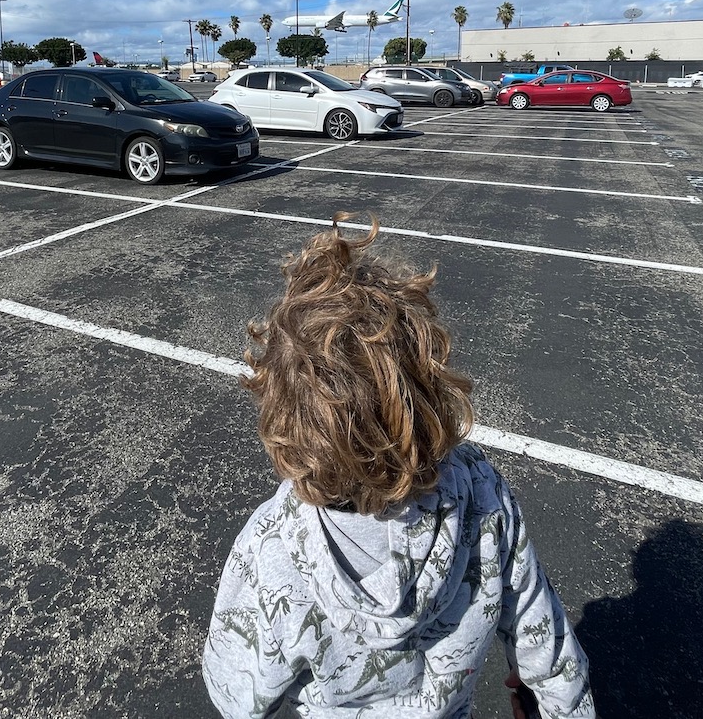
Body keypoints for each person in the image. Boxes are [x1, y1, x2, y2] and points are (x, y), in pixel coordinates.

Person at [203, 219, 594, 718]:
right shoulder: (481, 494)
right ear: (427, 393)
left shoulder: (271, 545)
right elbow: (552, 657)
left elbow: (235, 692)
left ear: (284, 418)